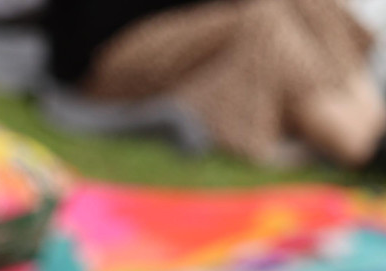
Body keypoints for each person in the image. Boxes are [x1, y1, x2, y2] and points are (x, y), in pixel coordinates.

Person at [45, 0, 385, 168]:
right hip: (112, 55)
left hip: (187, 35)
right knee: (265, 17)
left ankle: (370, 122)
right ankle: (356, 143)